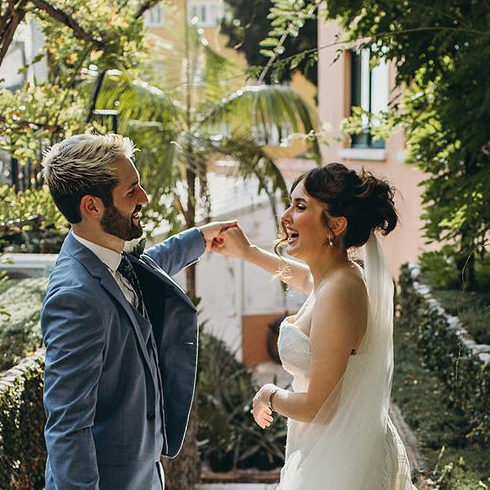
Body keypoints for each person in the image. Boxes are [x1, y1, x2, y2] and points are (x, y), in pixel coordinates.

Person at [40, 133, 234, 490]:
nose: (143, 197)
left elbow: (147, 266)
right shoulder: (75, 300)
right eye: (132, 191)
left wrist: (199, 239)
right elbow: (68, 426)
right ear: (92, 206)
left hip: (144, 475)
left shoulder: (108, 258)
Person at [217, 162, 418, 489]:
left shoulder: (339, 292)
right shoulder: (336, 278)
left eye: (300, 207)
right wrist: (248, 252)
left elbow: (320, 407)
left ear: (335, 225)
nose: (286, 216)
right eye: (290, 204)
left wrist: (268, 394)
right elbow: (302, 277)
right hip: (331, 447)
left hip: (341, 462)